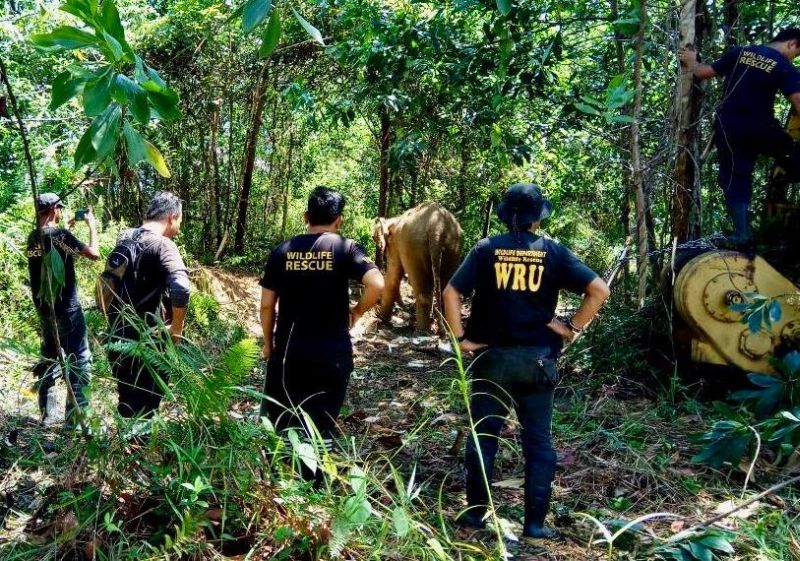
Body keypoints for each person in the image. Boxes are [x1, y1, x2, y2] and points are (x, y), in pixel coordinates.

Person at [443, 183, 610, 540]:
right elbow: (600, 290)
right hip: (538, 361)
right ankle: (534, 523)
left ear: (508, 216)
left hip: (492, 359)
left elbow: (451, 291)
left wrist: (460, 340)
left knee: (484, 436)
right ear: (538, 219)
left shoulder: (486, 249)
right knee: (538, 443)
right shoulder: (554, 252)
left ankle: (475, 515)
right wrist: (571, 327)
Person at [259, 187, 384, 456]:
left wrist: (268, 345)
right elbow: (377, 283)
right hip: (332, 356)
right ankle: (313, 485)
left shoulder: (282, 252)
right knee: (320, 427)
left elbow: (267, 305)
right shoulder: (346, 248)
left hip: (289, 355)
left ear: (306, 216)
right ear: (338, 220)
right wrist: (358, 311)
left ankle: (281, 485)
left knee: (284, 422)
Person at [680, 28, 800, 244]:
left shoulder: (740, 52)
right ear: (792, 44)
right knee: (792, 155)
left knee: (736, 179)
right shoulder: (783, 66)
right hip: (761, 128)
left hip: (729, 128)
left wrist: (691, 61)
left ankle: (742, 235)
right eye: (797, 53)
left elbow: (703, 72)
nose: (794, 57)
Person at [106, 191, 191, 419]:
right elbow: (181, 288)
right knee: (146, 406)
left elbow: (109, 284)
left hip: (118, 337)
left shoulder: (125, 238)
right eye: (180, 221)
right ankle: (138, 451)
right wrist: (176, 329)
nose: (179, 227)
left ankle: (125, 449)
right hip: (149, 341)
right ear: (172, 217)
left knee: (126, 400)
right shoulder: (163, 245)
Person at [27, 192, 100, 427]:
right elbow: (94, 254)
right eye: (60, 208)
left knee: (49, 358)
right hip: (67, 310)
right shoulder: (59, 235)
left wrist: (66, 231)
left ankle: (48, 414)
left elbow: (53, 250)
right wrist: (92, 226)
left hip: (45, 311)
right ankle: (76, 421)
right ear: (54, 209)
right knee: (80, 361)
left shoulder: (33, 237)